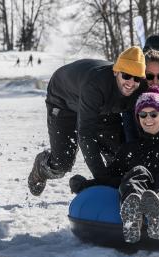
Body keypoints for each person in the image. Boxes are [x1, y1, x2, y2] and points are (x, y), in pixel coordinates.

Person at [70, 85, 159, 243]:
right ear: (138, 118)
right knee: (137, 173)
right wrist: (85, 184)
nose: (148, 119)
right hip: (139, 188)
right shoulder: (130, 148)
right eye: (143, 114)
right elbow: (110, 176)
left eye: (153, 114)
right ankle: (132, 218)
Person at [28, 46, 146, 197]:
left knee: (119, 156)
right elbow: (85, 134)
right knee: (62, 163)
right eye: (126, 76)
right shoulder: (96, 85)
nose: (131, 82)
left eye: (136, 78)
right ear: (116, 71)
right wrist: (102, 180)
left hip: (101, 107)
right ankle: (41, 168)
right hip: (64, 100)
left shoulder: (139, 89)